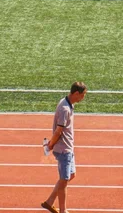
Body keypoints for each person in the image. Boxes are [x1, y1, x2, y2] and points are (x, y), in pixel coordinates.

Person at [41, 82, 87, 213]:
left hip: (68, 147)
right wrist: (51, 145)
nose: (83, 98)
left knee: (70, 175)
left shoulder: (67, 103)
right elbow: (58, 131)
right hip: (63, 149)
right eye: (82, 95)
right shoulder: (65, 108)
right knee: (64, 180)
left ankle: (49, 202)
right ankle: (63, 210)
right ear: (76, 93)